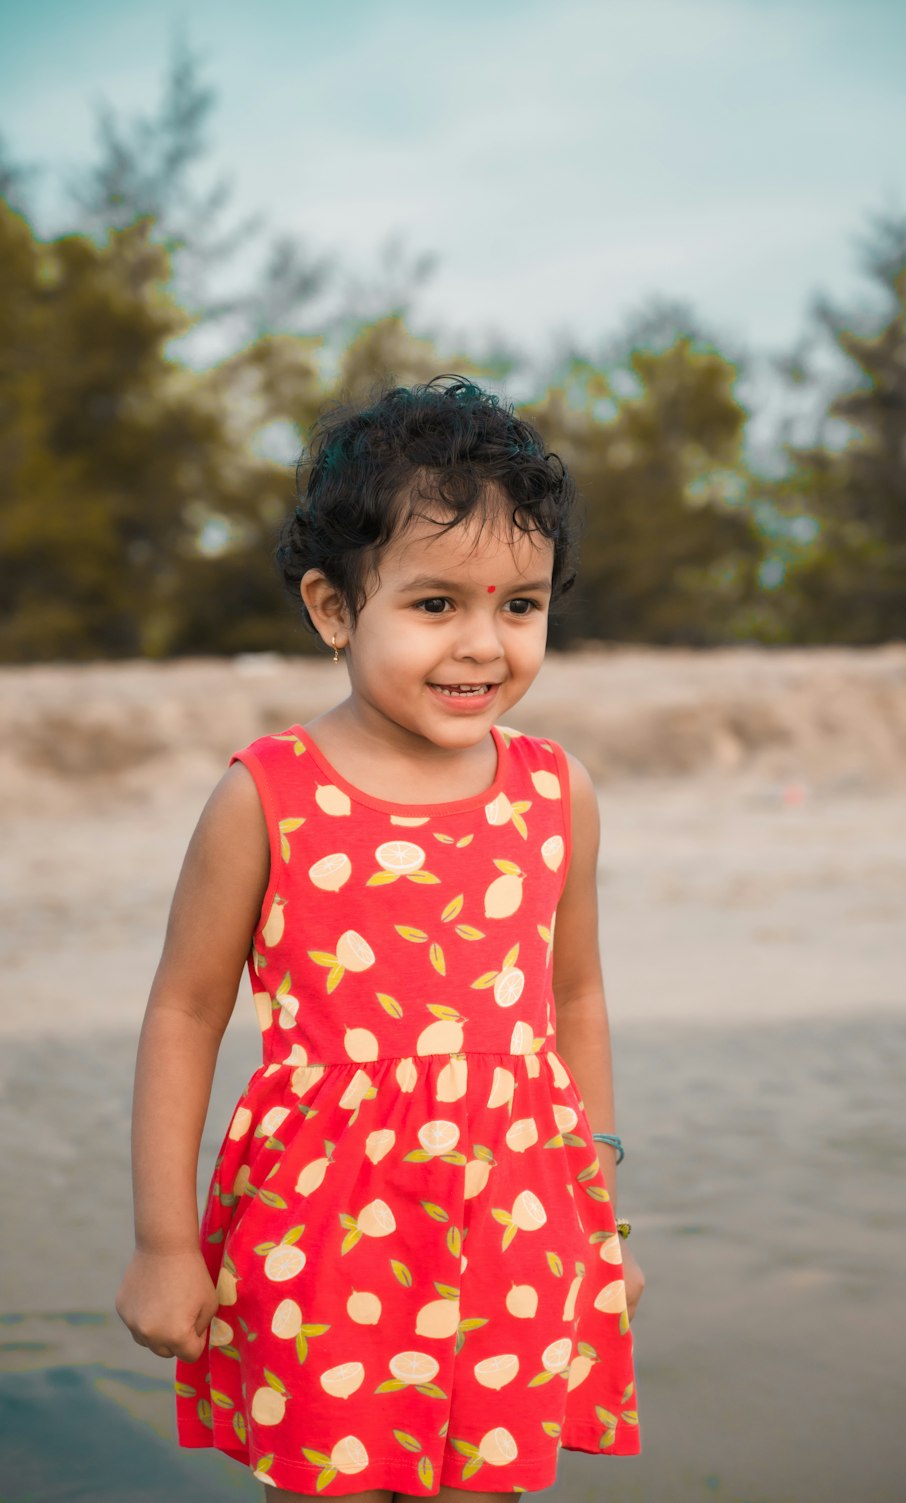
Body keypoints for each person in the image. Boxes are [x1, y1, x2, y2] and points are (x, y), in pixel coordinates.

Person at [116, 373, 645, 1501]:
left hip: (516, 1220)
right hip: (326, 1225)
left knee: (487, 1480)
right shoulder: (270, 795)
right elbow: (186, 1009)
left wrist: (599, 1219)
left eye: (520, 604)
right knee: (333, 1478)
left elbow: (578, 999)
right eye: (436, 604)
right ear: (333, 608)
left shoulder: (556, 793)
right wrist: (168, 1245)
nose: (484, 645)